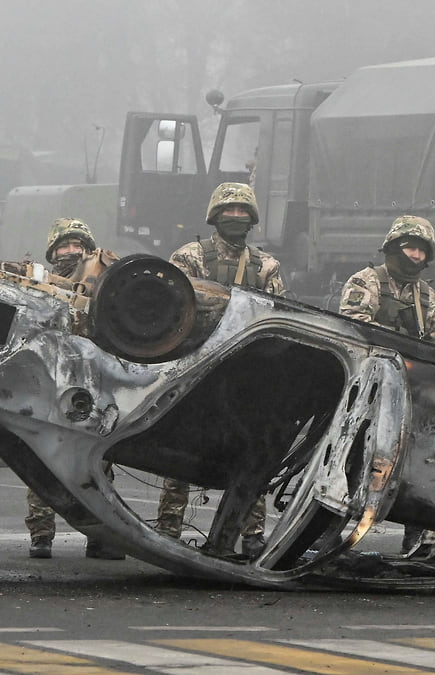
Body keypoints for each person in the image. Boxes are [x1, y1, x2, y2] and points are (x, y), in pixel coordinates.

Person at [155, 182, 284, 557]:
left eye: (243, 213)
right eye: (229, 212)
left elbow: (281, 318)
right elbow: (173, 309)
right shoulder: (191, 257)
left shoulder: (266, 266)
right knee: (181, 450)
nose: (236, 218)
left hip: (248, 374)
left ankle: (252, 533)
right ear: (215, 216)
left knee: (252, 453)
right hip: (197, 367)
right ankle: (168, 528)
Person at [339, 214, 435, 555]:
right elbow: (353, 327)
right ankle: (327, 530)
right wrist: (399, 339)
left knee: (411, 464)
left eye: (421, 251)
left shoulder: (430, 299)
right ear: (392, 247)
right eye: (409, 248)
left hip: (407, 391)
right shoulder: (366, 282)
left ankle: (415, 537)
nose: (414, 256)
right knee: (350, 461)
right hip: (365, 390)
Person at [26, 218, 126, 560]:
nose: (71, 252)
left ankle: (101, 536)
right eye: (64, 246)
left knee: (98, 462)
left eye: (77, 245)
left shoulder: (104, 284)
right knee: (42, 457)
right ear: (53, 252)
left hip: (92, 383)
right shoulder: (36, 283)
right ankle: (41, 535)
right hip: (48, 382)